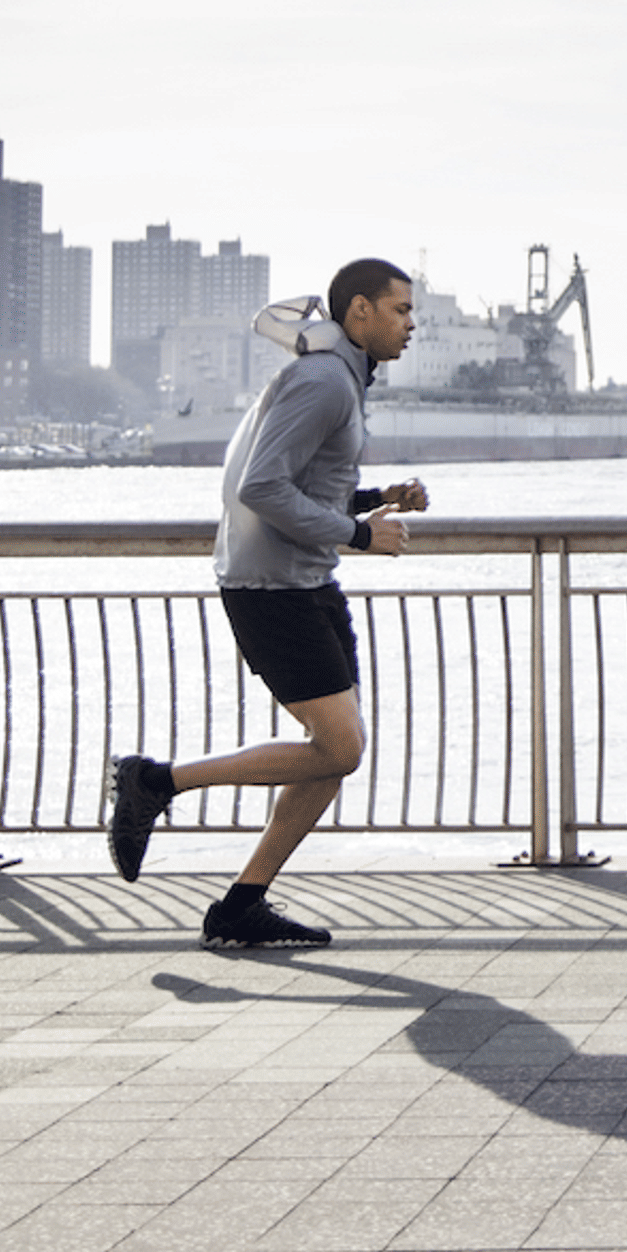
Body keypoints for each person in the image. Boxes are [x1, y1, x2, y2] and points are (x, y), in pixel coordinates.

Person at [105, 258, 428, 950]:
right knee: (340, 747)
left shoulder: (337, 376)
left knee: (334, 753)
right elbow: (260, 489)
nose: (411, 326)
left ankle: (242, 906)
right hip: (270, 589)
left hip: (305, 582)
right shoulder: (321, 381)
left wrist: (374, 501)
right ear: (361, 311)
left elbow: (304, 486)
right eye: (401, 310)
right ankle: (154, 782)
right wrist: (359, 534)